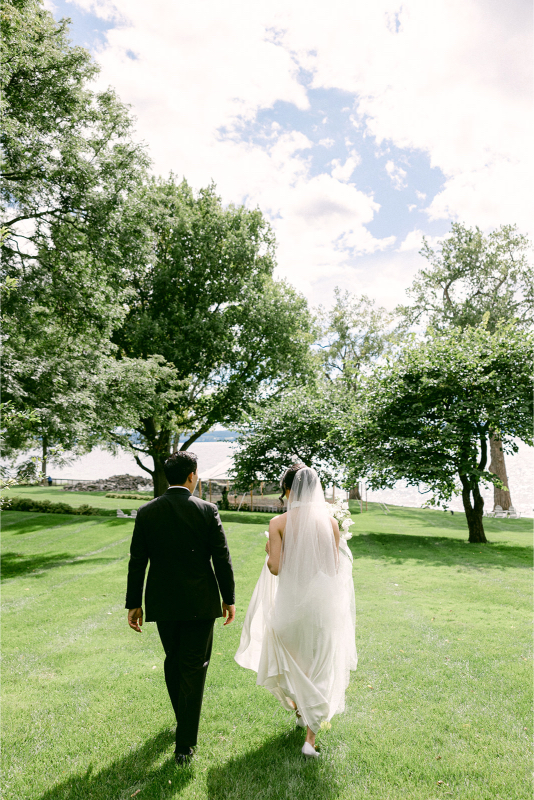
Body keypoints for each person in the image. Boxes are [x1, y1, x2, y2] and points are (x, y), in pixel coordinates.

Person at [235, 464, 357, 758]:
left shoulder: (279, 522)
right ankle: (309, 740)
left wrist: (270, 551)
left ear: (287, 489)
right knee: (320, 664)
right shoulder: (330, 523)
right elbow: (333, 568)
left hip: (290, 606)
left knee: (293, 661)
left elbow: (275, 568)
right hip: (323, 608)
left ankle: (299, 707)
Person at [125, 451, 236, 764]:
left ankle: (183, 724)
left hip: (163, 602)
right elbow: (222, 559)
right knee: (194, 666)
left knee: (174, 661)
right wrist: (229, 598)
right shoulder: (207, 510)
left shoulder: (147, 512)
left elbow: (137, 561)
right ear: (192, 476)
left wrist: (134, 603)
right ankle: (184, 743)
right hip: (201, 602)